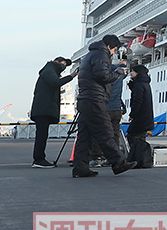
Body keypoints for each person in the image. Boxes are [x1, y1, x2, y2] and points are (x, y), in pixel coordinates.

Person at [71, 35, 135, 178]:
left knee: (84, 136)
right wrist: (117, 73)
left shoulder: (90, 55)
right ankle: (118, 163)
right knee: (106, 132)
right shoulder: (101, 54)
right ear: (110, 46)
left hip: (85, 99)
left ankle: (80, 168)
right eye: (114, 50)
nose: (114, 53)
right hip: (95, 100)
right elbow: (103, 76)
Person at [29, 56, 73, 168]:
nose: (64, 67)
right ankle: (39, 159)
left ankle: (39, 158)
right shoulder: (50, 70)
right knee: (41, 135)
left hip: (42, 109)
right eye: (63, 64)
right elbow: (55, 83)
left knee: (42, 135)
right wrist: (71, 76)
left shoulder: (49, 70)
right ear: (57, 62)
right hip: (43, 110)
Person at [125, 63, 154, 167]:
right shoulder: (145, 83)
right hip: (146, 116)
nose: (130, 73)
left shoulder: (138, 85)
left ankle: (137, 159)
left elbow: (137, 101)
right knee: (140, 138)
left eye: (133, 71)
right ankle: (142, 159)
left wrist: (132, 114)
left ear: (138, 73)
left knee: (132, 135)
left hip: (140, 117)